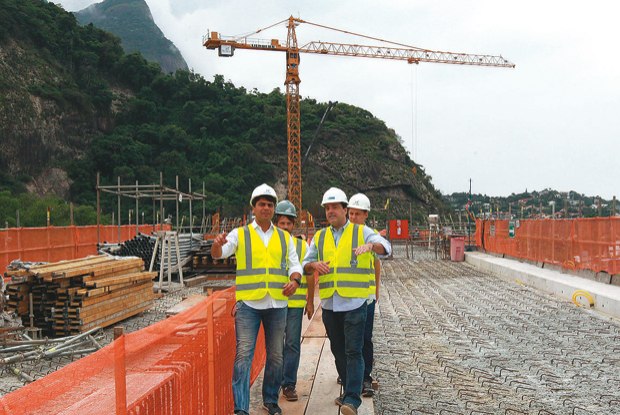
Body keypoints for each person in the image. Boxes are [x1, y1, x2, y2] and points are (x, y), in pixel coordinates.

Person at [211, 184, 303, 415]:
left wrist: (295, 281)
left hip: (277, 303)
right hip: (249, 305)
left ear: (274, 209)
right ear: (254, 208)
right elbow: (220, 254)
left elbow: (295, 264)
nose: (266, 208)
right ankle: (241, 408)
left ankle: (270, 400)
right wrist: (215, 246)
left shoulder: (284, 237)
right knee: (244, 355)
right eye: (262, 204)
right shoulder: (240, 234)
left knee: (275, 355)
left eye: (270, 204)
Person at [302, 187, 391, 415]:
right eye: (327, 208)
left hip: (355, 304)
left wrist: (371, 245)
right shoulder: (320, 237)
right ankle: (348, 390)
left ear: (345, 209)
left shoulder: (362, 232)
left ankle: (352, 399)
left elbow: (386, 248)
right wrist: (313, 265)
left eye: (335, 207)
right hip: (331, 304)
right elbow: (304, 264)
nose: (331, 211)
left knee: (354, 350)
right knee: (338, 350)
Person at [273, 200, 315, 402]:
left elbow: (309, 274)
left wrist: (310, 301)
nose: (286, 227)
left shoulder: (301, 245)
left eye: (289, 224)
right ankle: (274, 383)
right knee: (274, 345)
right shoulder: (269, 244)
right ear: (276, 224)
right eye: (282, 224)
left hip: (295, 304)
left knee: (291, 344)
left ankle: (289, 384)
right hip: (273, 303)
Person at [348, 193, 380, 397]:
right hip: (347, 296)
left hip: (366, 296)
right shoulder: (341, 234)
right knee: (348, 340)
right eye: (351, 213)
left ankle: (366, 377)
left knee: (365, 338)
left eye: (357, 214)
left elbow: (377, 263)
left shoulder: (371, 235)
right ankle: (349, 375)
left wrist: (377, 290)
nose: (353, 218)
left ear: (366, 214)